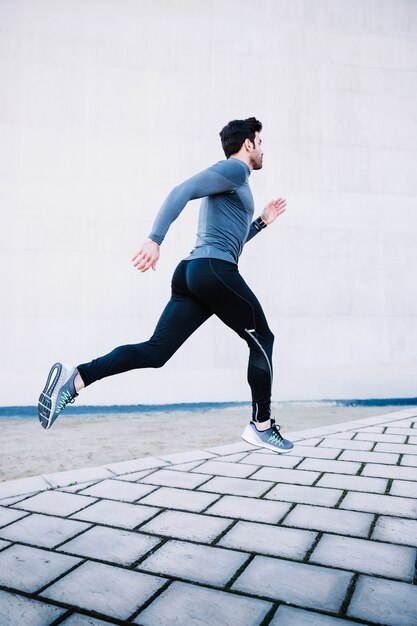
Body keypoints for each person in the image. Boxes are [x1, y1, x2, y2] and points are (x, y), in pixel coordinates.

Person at [38, 117, 294, 453]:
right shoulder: (235, 171)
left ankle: (77, 377)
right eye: (260, 143)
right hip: (212, 270)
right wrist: (154, 239)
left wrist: (260, 222)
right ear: (248, 144)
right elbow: (181, 191)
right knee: (263, 337)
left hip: (195, 272)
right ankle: (261, 425)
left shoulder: (235, 183)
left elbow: (231, 241)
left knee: (156, 351)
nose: (263, 150)